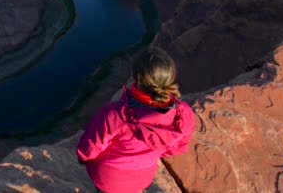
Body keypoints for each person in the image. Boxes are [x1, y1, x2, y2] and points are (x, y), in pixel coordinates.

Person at [77, 47, 195, 193]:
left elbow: (90, 147)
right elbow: (178, 148)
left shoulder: (117, 114)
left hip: (109, 179)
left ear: (137, 78)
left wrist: (83, 159)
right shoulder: (183, 113)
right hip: (142, 178)